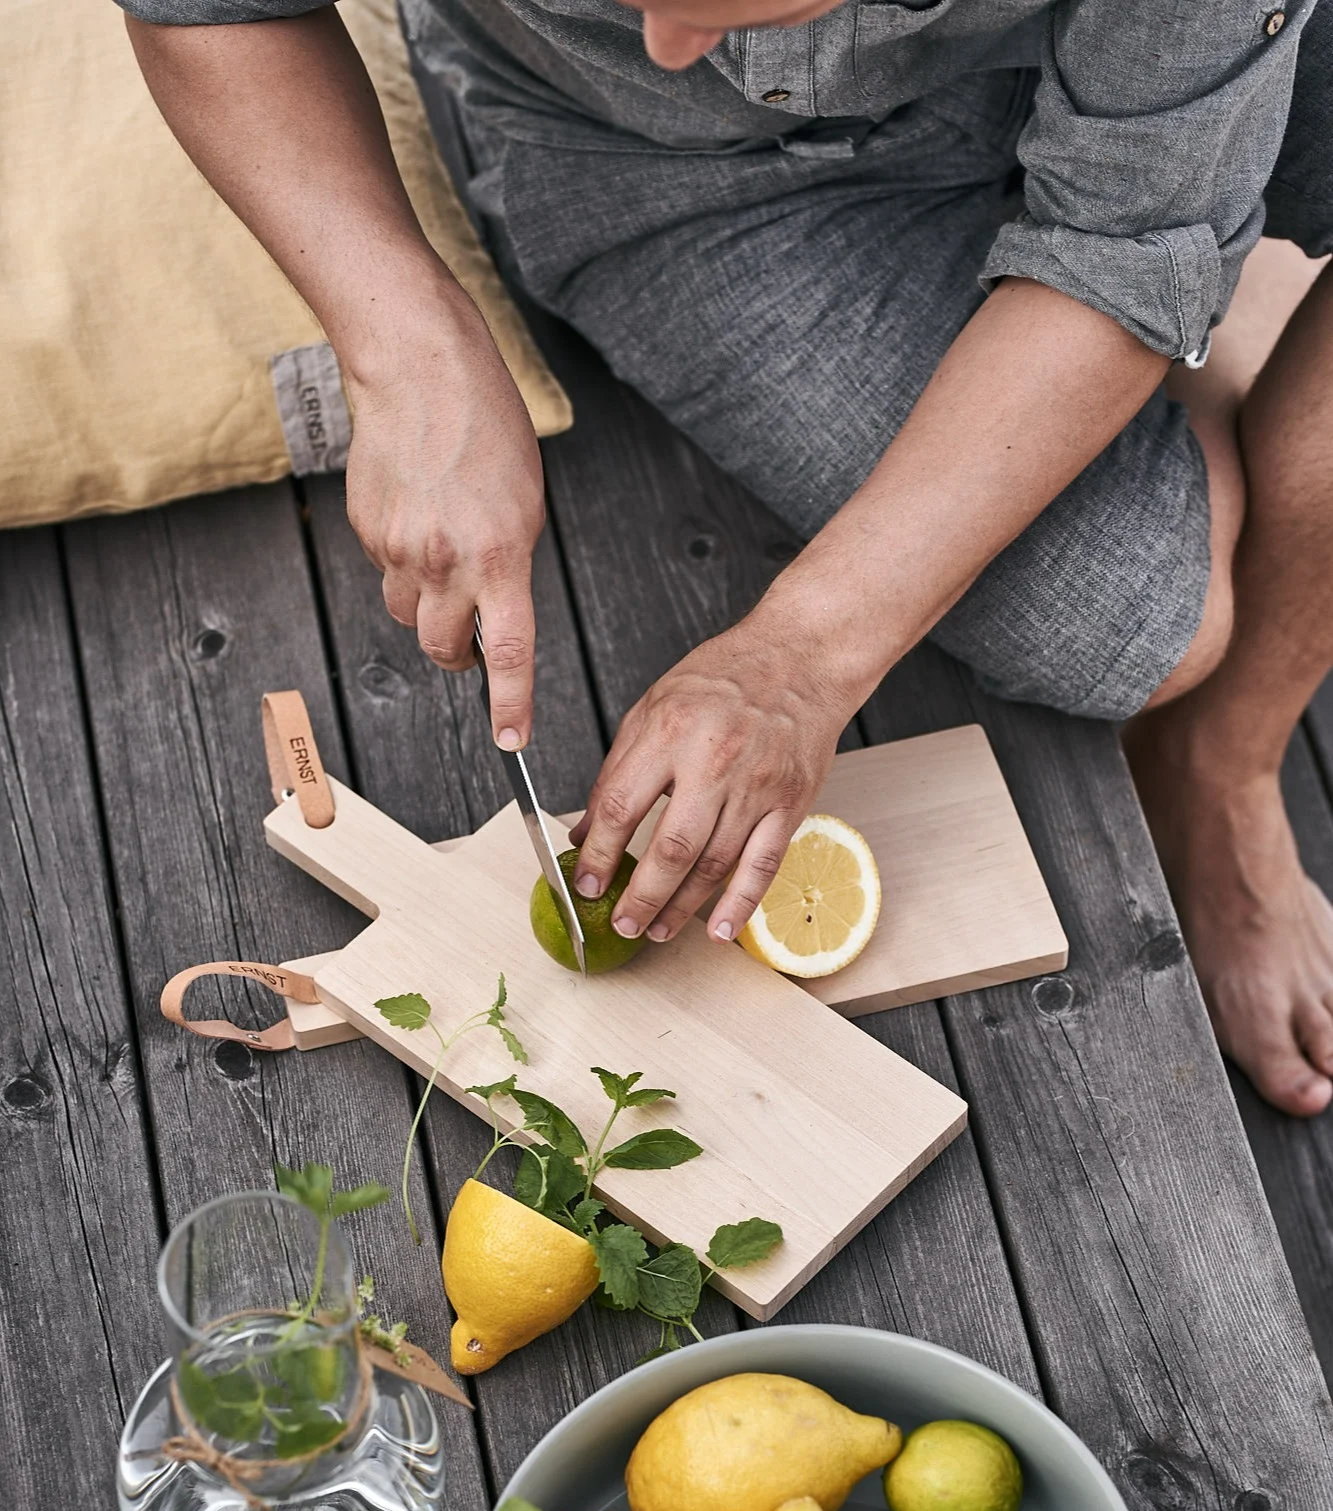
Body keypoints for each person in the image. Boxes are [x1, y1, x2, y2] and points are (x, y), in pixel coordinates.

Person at [119, 0, 1333, 1114]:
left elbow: (1125, 241)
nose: (664, 39)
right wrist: (401, 339)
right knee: (1149, 623)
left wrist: (798, 656)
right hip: (658, 162)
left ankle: (1226, 765)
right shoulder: (651, 68)